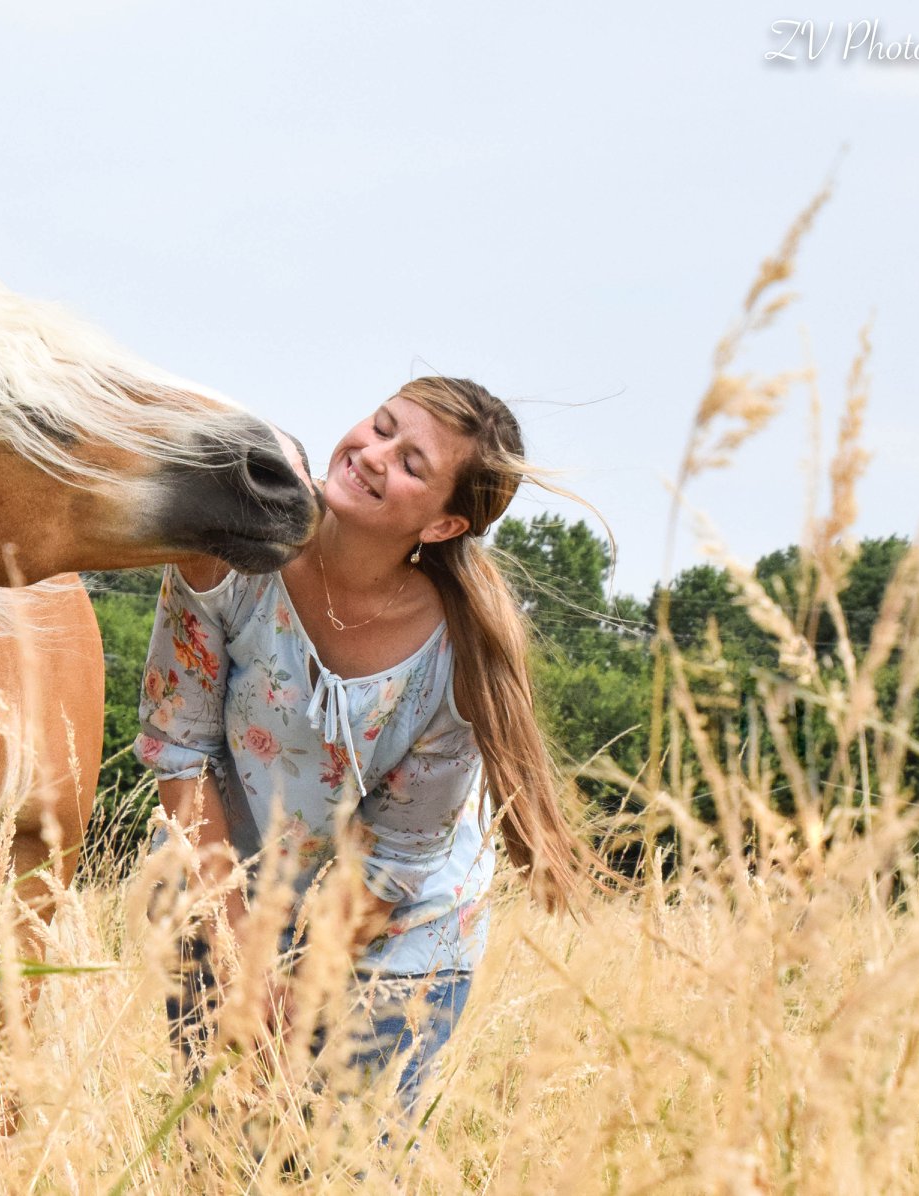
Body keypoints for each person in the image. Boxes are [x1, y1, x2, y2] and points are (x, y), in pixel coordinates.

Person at [132, 375, 603, 1127]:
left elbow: (398, 856)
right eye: (381, 427)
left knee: (340, 1163)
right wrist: (239, 952)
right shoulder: (229, 556)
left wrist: (299, 994)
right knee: (215, 1151)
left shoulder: (459, 654)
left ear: (445, 525)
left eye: (412, 463)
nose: (374, 454)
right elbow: (179, 748)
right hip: (222, 883)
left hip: (393, 933)